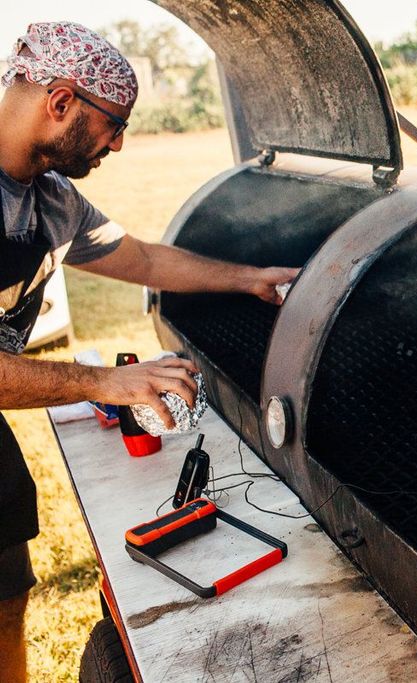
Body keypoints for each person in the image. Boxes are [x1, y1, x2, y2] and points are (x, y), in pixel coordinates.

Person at [0, 22, 298, 681]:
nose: (119, 142)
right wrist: (102, 382)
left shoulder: (54, 203)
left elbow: (147, 258)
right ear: (61, 101)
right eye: (114, 123)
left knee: (5, 577)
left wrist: (247, 278)